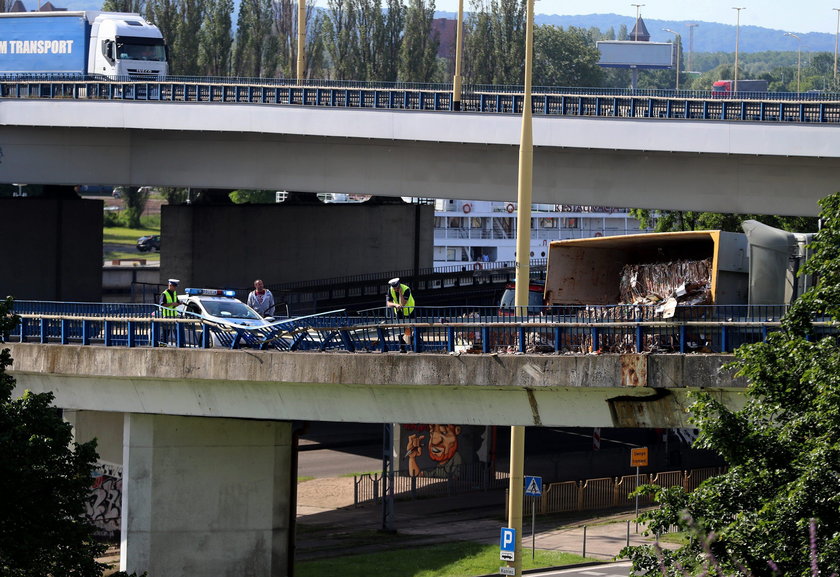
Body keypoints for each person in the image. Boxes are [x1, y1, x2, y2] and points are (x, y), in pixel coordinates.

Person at [386, 277, 415, 352]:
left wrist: (400, 293)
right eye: (394, 288)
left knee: (409, 330)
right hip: (399, 312)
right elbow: (388, 303)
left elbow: (403, 303)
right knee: (400, 330)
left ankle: (412, 347)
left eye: (397, 287)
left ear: (399, 285)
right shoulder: (390, 290)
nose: (395, 289)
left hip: (409, 311)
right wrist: (395, 305)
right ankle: (402, 347)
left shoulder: (406, 289)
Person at [158, 278, 179, 345]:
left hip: (174, 316)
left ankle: (179, 345)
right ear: (170, 285)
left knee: (176, 331)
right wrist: (172, 304)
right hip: (167, 316)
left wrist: (178, 303)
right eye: (174, 286)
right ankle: (162, 345)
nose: (175, 288)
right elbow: (162, 304)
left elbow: (177, 302)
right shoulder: (164, 294)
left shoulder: (175, 293)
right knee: (166, 332)